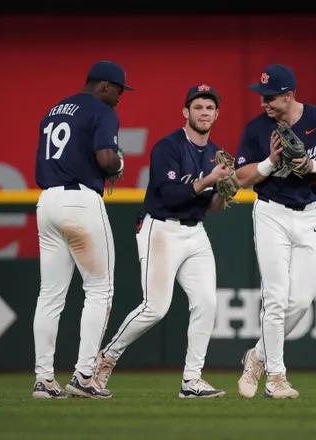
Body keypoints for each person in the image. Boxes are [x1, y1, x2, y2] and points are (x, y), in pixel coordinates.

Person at [92, 84, 233, 398]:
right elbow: (170, 195)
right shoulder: (168, 147)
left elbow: (209, 205)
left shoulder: (214, 154)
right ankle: (105, 358)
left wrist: (223, 195)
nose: (204, 112)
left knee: (207, 303)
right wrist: (211, 180)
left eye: (210, 107)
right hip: (161, 229)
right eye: (198, 107)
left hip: (195, 232)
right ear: (186, 112)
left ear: (217, 114)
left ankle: (192, 380)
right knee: (155, 308)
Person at [234, 64, 316, 399]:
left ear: (289, 95)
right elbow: (241, 177)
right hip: (272, 213)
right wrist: (270, 162)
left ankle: (256, 356)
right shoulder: (257, 129)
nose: (263, 103)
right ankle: (276, 378)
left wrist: (312, 165)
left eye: (270, 97)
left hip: (309, 215)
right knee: (275, 297)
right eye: (261, 96)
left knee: (300, 300)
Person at [31, 60, 134, 399]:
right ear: (104, 85)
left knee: (50, 295)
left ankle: (44, 379)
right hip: (80, 201)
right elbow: (106, 160)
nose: (120, 96)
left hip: (47, 202)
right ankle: (84, 375)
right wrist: (117, 163)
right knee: (100, 289)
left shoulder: (55, 109)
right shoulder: (102, 110)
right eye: (119, 89)